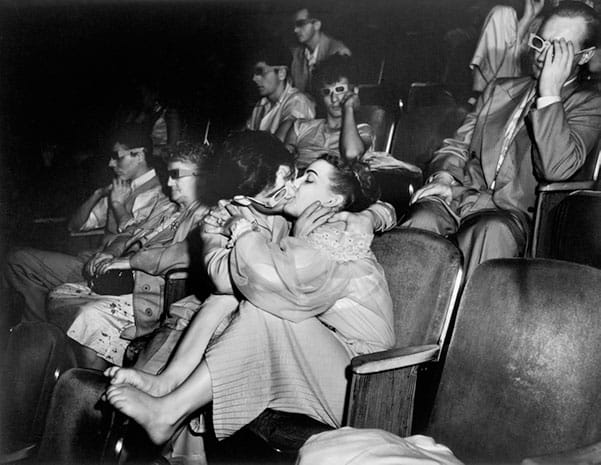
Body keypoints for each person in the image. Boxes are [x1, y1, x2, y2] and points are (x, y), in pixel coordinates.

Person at [103, 154, 394, 446]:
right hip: (322, 355)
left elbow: (264, 277)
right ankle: (167, 382)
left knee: (258, 307)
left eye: (310, 179)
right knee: (225, 298)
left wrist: (239, 229)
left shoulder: (341, 232)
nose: (295, 183)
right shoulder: (308, 229)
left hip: (362, 378)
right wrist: (217, 227)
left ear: (333, 200)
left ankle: (169, 412)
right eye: (301, 174)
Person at [403, 1, 601, 279]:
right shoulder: (500, 89)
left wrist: (549, 94)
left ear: (584, 56)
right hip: (462, 197)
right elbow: (458, 145)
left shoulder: (591, 104)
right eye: (540, 42)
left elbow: (556, 169)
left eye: (557, 48)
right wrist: (444, 178)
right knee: (421, 217)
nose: (542, 54)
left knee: (488, 231)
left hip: (514, 215)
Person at [44, 142, 214, 369]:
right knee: (60, 296)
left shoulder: (209, 213)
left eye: (176, 175)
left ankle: (90, 383)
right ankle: (84, 375)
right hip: (135, 287)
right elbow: (132, 230)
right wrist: (111, 253)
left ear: (202, 177)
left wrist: (126, 261)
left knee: (87, 315)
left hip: (161, 298)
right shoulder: (168, 207)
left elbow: (183, 252)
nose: (169, 181)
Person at [5, 127, 171, 322]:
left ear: (139, 155)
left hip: (112, 273)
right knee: (22, 264)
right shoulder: (120, 187)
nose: (111, 163)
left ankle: (42, 333)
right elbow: (75, 226)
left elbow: (138, 237)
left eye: (117, 156)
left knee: (17, 260)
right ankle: (44, 329)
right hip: (91, 262)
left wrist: (117, 205)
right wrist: (97, 195)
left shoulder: (158, 192)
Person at [285, 55, 373, 172]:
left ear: (354, 91)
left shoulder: (362, 131)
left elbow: (352, 154)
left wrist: (348, 106)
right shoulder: (300, 127)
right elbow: (281, 162)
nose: (334, 99)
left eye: (340, 90)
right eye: (327, 92)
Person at [246, 45, 315, 141]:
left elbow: (279, 146)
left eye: (260, 71)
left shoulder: (298, 102)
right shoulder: (261, 104)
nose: (254, 78)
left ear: (281, 73)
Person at [290, 7, 351, 92]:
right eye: (294, 25)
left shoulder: (338, 52)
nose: (295, 30)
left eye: (301, 24)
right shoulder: (296, 54)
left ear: (317, 25)